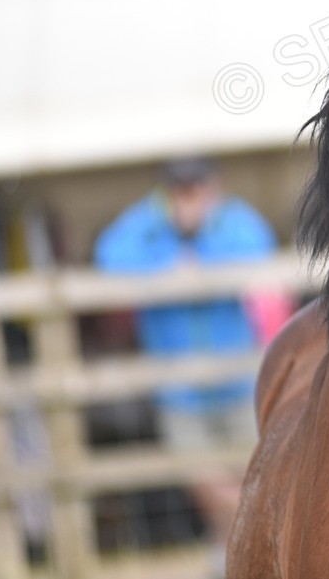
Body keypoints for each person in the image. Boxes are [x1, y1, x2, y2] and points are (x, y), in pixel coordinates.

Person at [94, 156, 276, 575]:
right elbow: (109, 258)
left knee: (253, 476)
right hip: (180, 395)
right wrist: (167, 266)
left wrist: (202, 263)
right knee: (205, 482)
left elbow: (257, 249)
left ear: (213, 187)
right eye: (179, 189)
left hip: (239, 385)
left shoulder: (233, 222)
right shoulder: (147, 226)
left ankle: (238, 557)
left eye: (197, 187)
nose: (189, 198)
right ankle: (266, 542)